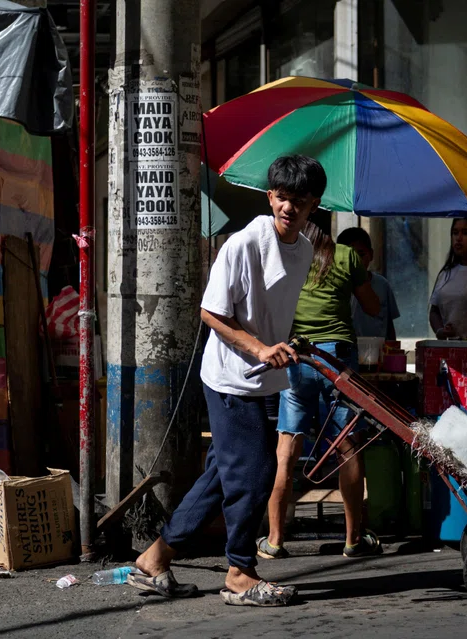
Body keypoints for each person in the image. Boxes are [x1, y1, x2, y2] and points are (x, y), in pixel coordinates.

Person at [128, 155, 323, 607]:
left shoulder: (306, 250)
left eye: (298, 201)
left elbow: (270, 309)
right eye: (281, 198)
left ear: (313, 205)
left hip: (265, 377)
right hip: (231, 378)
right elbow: (212, 311)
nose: (288, 208)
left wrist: (287, 341)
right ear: (269, 196)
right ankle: (239, 571)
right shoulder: (243, 244)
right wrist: (259, 348)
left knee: (222, 475)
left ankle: (154, 559)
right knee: (254, 475)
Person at [260, 212, 382, 559]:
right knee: (348, 447)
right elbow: (373, 307)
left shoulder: (285, 256)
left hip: (297, 358)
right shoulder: (347, 257)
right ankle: (353, 541)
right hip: (337, 360)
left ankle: (274, 541)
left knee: (287, 451)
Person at [337, 227, 401, 340]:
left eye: (361, 255)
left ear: (371, 254)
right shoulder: (335, 286)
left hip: (376, 351)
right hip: (346, 351)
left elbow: (389, 326)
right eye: (350, 256)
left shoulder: (382, 285)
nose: (355, 261)